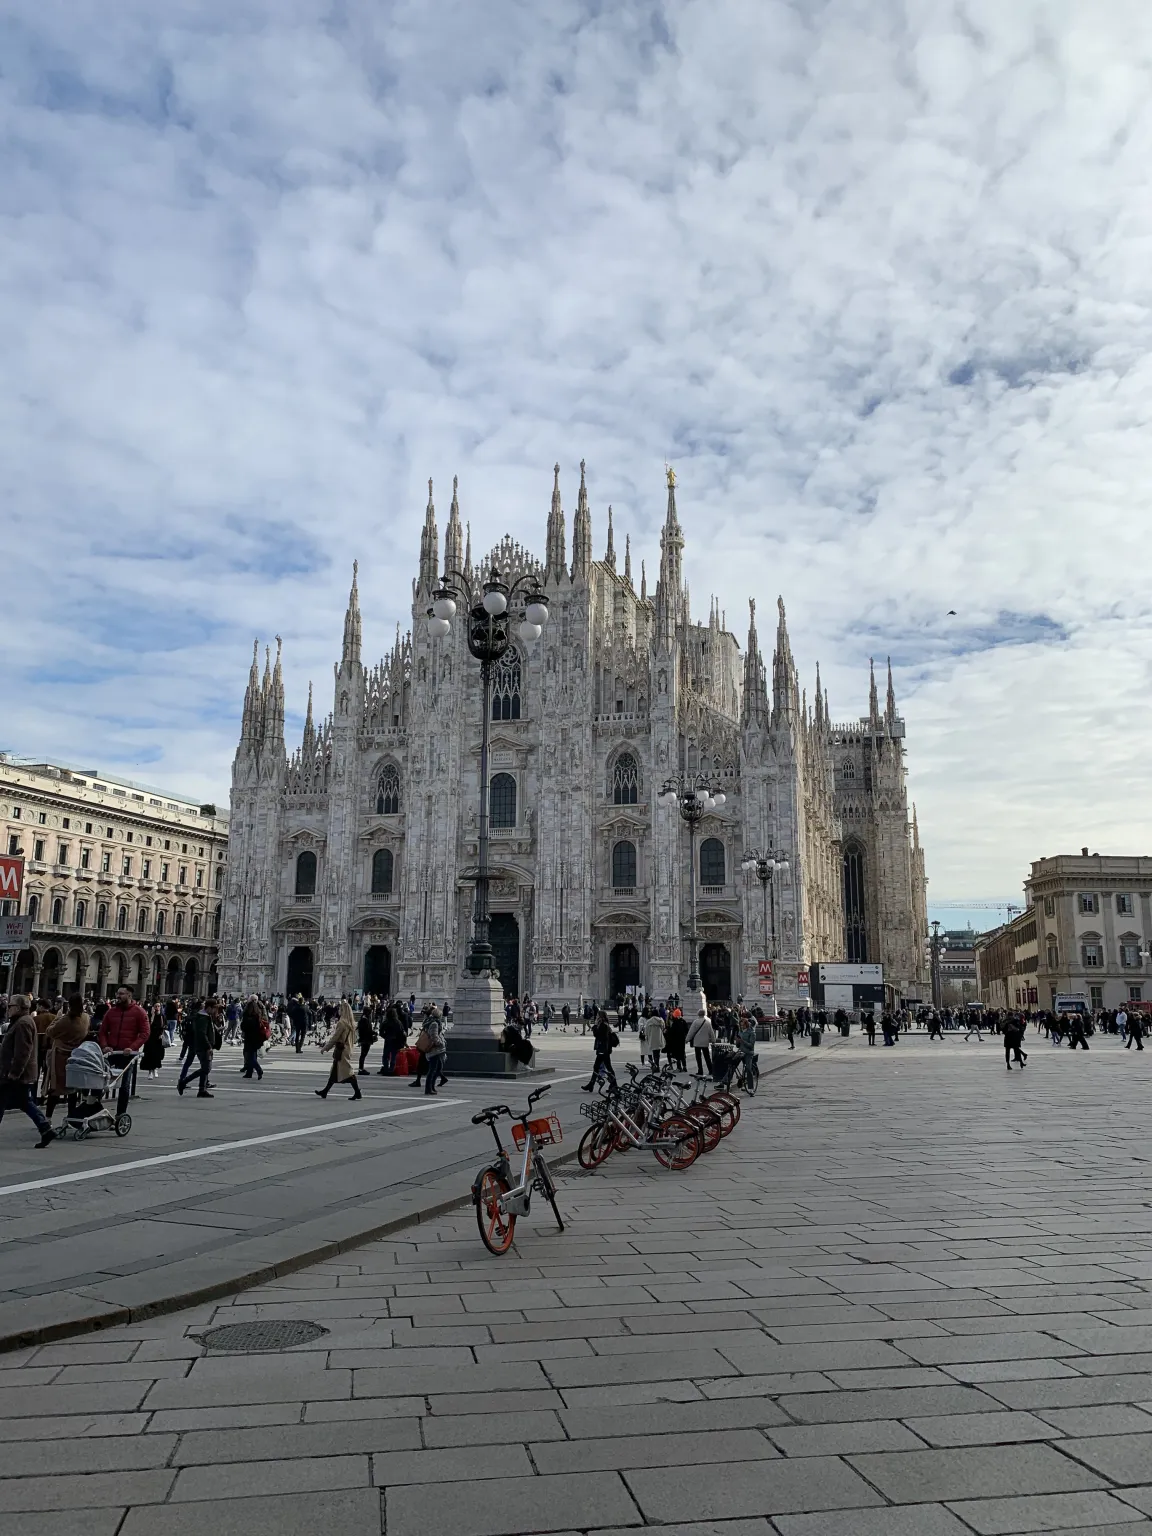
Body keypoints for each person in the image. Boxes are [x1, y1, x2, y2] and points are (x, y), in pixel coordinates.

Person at [0, 995, 55, 1147]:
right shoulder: (21, 1021)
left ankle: (45, 1128)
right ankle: (45, 1128)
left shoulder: (23, 1023)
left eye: (10, 1006)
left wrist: (14, 1072)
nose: (8, 1009)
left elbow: (23, 1051)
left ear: (18, 1008)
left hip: (16, 1073)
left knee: (7, 1100)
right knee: (23, 1102)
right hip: (17, 1072)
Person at [44, 994, 91, 1118]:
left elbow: (50, 1031)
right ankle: (71, 1116)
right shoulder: (86, 1018)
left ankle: (48, 1117)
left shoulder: (65, 1020)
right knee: (72, 1088)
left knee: (56, 1088)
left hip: (60, 1056)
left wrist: (58, 1017)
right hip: (75, 1055)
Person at [316, 999, 361, 1100]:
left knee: (348, 1072)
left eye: (340, 1009)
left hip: (342, 1050)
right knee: (335, 1071)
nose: (339, 1011)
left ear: (343, 1011)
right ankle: (325, 1091)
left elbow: (335, 1037)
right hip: (348, 1049)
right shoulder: (352, 1024)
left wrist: (326, 1048)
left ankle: (357, 1092)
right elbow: (354, 1039)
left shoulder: (342, 1023)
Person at [177, 998, 216, 1097]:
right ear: (209, 1008)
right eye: (214, 1008)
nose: (215, 1011)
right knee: (206, 1068)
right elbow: (202, 1033)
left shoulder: (205, 1016)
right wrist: (208, 1046)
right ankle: (184, 1082)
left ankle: (202, 1090)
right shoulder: (203, 1018)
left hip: (202, 1045)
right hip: (203, 1046)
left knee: (205, 1068)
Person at [581, 1011, 618, 1092]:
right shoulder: (604, 1024)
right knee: (597, 1067)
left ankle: (614, 1085)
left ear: (600, 1016)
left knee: (607, 1067)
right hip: (604, 1050)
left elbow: (598, 1035)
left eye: (597, 1015)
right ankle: (591, 1084)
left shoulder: (603, 1025)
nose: (596, 1017)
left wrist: (594, 1026)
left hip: (603, 1050)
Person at [378, 998, 409, 1075]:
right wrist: (403, 1041)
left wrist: (385, 1036)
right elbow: (401, 1032)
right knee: (393, 1055)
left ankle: (385, 1068)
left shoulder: (386, 1022)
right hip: (395, 1041)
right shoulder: (398, 1022)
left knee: (386, 1055)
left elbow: (381, 1031)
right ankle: (391, 1069)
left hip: (388, 1040)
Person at [422, 1007, 447, 1095]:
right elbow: (434, 1036)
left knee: (437, 1068)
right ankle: (428, 1088)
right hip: (434, 1050)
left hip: (437, 1050)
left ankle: (431, 1087)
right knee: (433, 1069)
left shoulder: (434, 1022)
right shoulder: (434, 1024)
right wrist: (441, 1043)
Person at [240, 997, 266, 1080]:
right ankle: (249, 1072)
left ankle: (259, 1070)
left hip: (249, 1038)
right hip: (257, 1038)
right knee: (253, 1055)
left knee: (249, 1057)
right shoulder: (258, 1016)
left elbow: (243, 1027)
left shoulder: (248, 1017)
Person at [140, 1005, 167, 1079]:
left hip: (158, 1039)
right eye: (155, 1006)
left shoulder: (162, 1016)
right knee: (150, 1055)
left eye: (158, 1006)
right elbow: (147, 1026)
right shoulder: (149, 1016)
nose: (157, 1008)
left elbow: (164, 1026)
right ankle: (150, 1071)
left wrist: (162, 1034)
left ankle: (155, 1069)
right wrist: (152, 1016)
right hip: (150, 1038)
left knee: (157, 1055)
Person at [688, 1007, 714, 1076]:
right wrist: (713, 1040)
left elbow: (691, 1032)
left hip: (697, 1042)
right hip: (705, 1042)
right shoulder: (708, 1022)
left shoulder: (695, 1022)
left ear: (698, 1014)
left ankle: (700, 1070)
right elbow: (711, 1032)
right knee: (707, 1057)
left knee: (698, 1057)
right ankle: (710, 1070)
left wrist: (687, 1039)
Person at [665, 1007, 688, 1072]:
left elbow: (672, 1032)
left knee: (677, 1055)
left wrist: (667, 1034)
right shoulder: (683, 1021)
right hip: (682, 1040)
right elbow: (686, 1030)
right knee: (682, 1053)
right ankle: (684, 1067)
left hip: (676, 1041)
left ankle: (679, 1067)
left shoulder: (675, 1023)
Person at [356, 1003, 377, 1074]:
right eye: (370, 1012)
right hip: (366, 1040)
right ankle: (361, 1069)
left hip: (365, 1039)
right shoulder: (364, 1020)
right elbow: (367, 1030)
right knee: (363, 1054)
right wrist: (374, 1033)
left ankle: (361, 1068)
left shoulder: (364, 1019)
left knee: (363, 1055)